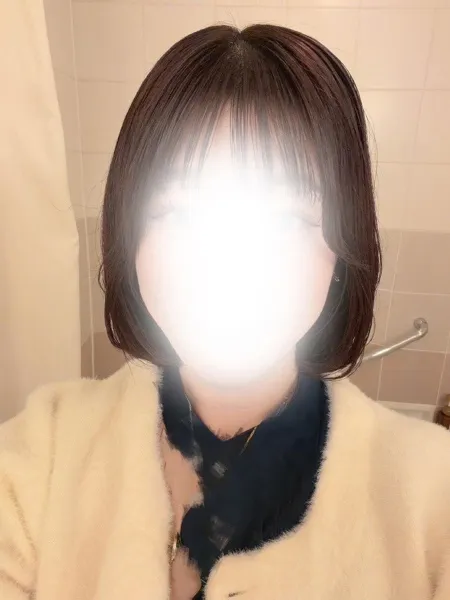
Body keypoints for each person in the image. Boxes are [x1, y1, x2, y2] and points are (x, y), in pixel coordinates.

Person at [0, 23, 449, 600]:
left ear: (342, 252)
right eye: (181, 214)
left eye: (285, 220)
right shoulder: (44, 453)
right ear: (130, 239)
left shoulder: (430, 497)